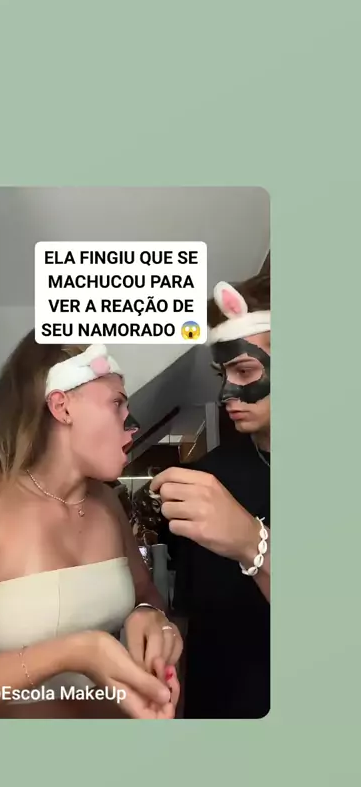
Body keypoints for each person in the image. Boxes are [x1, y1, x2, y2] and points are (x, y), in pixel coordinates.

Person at [0, 335, 183, 719]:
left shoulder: (107, 503)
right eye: (117, 404)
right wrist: (76, 652)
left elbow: (147, 596)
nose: (133, 424)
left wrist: (150, 618)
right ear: (61, 406)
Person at [150, 273, 270, 718]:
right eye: (223, 375)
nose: (226, 393)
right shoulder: (206, 477)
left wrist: (253, 543)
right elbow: (195, 619)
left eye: (245, 371)